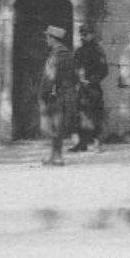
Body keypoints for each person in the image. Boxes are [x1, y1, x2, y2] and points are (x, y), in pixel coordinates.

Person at [38, 25, 79, 166]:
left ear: (52, 38)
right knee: (58, 126)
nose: (46, 40)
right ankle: (55, 156)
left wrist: (43, 94)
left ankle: (57, 157)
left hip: (57, 93)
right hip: (67, 92)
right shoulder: (68, 53)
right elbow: (75, 75)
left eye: (47, 37)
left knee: (56, 125)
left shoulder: (56, 55)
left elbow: (50, 77)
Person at [71, 24, 109, 153]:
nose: (83, 36)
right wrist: (77, 79)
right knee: (81, 115)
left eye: (85, 34)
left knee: (95, 115)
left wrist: (91, 80)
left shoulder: (98, 50)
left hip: (93, 89)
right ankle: (82, 143)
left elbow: (104, 70)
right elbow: (74, 68)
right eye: (81, 34)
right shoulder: (79, 51)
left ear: (92, 35)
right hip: (81, 88)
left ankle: (97, 144)